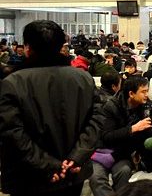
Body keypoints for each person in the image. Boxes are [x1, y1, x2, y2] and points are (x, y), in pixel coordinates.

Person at [0, 20, 103, 196]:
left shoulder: (13, 83)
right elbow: (97, 121)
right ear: (61, 46)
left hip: (30, 176)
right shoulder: (83, 78)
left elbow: (12, 134)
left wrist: (49, 165)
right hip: (73, 172)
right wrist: (75, 158)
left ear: (27, 48)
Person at [92, 76, 152, 196]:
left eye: (147, 91)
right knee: (96, 177)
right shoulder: (111, 107)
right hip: (102, 152)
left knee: (124, 171)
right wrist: (133, 129)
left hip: (123, 153)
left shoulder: (144, 104)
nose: (146, 95)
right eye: (143, 91)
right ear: (131, 94)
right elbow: (107, 136)